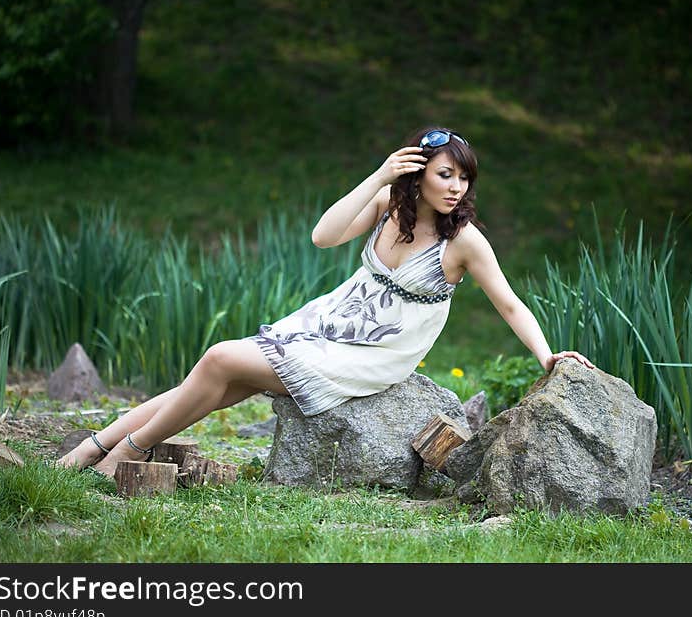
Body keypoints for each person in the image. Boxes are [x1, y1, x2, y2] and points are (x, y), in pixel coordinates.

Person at [58, 127, 595, 476]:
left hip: (373, 353)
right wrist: (379, 177)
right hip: (330, 320)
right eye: (445, 174)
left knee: (220, 358)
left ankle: (128, 451)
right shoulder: (389, 202)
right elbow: (324, 235)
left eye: (464, 178)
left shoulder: (464, 242)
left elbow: (509, 305)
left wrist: (547, 356)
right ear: (417, 173)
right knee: (216, 383)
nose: (456, 187)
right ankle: (97, 446)